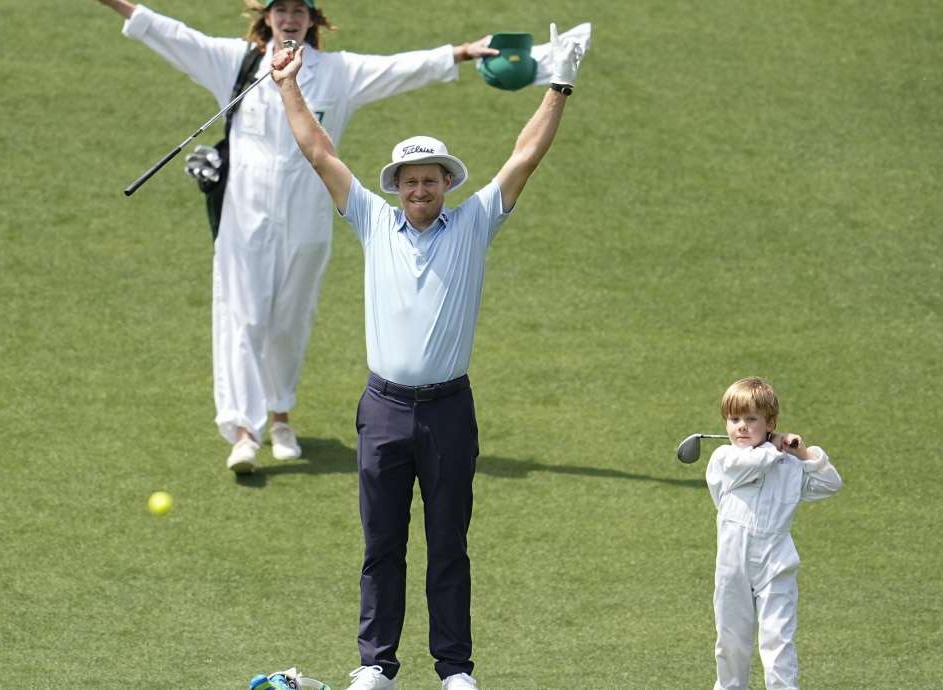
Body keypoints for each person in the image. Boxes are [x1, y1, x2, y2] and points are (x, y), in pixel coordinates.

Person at [268, 23, 585, 690]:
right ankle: (376, 665)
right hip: (383, 408)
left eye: (430, 179)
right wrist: (289, 84)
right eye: (410, 181)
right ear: (397, 185)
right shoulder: (371, 219)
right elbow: (319, 152)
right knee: (381, 544)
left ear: (446, 182)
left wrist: (558, 84)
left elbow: (524, 157)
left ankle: (454, 670)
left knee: (448, 544)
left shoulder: (474, 221)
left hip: (448, 409)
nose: (420, 190)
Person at [92, 0, 499, 472]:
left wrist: (461, 52)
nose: (290, 18)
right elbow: (176, 36)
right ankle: (243, 431)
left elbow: (400, 68)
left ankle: (280, 417)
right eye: (281, 9)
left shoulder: (339, 72)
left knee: (290, 321)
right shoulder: (237, 63)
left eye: (299, 11)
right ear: (266, 17)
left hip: (308, 224)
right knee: (242, 319)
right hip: (244, 220)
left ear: (312, 20)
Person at [704, 377, 844, 690]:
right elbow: (753, 462)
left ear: (770, 422)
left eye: (751, 419)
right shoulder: (724, 458)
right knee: (731, 641)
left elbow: (830, 484)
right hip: (733, 564)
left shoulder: (788, 465)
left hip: (776, 562)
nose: (741, 426)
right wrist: (774, 443)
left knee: (778, 642)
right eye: (733, 419)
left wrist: (803, 454)